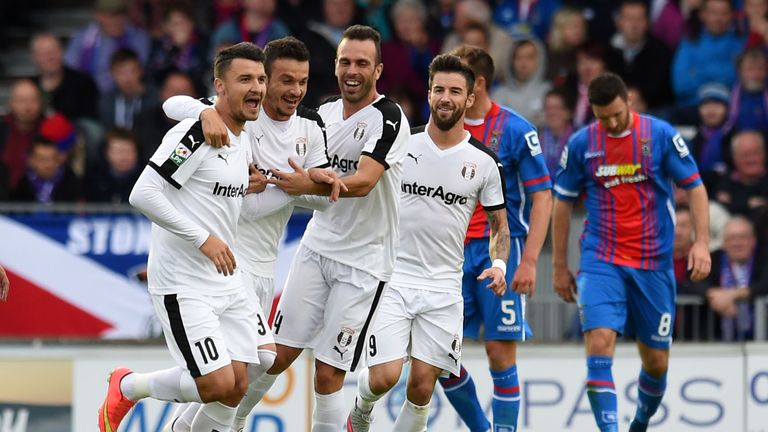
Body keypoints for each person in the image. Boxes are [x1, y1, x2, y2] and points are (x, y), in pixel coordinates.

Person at [160, 35, 339, 432]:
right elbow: (171, 105)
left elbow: (326, 198)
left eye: (303, 82)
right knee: (236, 374)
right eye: (286, 80)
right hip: (226, 261)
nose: (295, 91)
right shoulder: (239, 114)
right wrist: (203, 113)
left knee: (246, 374)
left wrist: (294, 184)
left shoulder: (311, 125)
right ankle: (143, 394)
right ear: (264, 78)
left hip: (264, 266)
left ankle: (181, 427)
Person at [235, 25, 410, 432]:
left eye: (362, 63)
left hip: (364, 264)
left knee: (328, 373)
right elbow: (290, 160)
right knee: (273, 356)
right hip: (316, 250)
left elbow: (364, 181)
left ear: (378, 70)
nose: (352, 71)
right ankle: (233, 422)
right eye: (345, 62)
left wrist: (305, 185)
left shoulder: (389, 117)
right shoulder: (321, 115)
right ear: (335, 65)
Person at [96, 42, 269, 432]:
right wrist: (203, 239)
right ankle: (128, 386)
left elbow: (208, 189)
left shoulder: (242, 133)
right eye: (245, 79)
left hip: (226, 278)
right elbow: (143, 193)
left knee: (240, 384)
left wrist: (246, 184)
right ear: (219, 86)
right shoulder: (196, 133)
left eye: (261, 79)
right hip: (183, 280)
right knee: (217, 384)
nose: (256, 88)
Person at [346, 53, 509, 432]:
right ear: (429, 93)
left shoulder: (485, 162)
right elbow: (362, 184)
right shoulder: (402, 143)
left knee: (422, 386)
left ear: (470, 98)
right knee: (384, 376)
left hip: (444, 288)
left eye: (455, 91)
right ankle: (360, 411)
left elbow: (500, 225)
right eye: (439, 90)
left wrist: (499, 265)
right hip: (393, 278)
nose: (446, 98)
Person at [552, 72, 711, 432]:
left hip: (653, 262)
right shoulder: (581, 144)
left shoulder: (660, 135)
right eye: (602, 117)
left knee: (656, 362)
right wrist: (559, 265)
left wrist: (701, 242)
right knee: (598, 344)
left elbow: (695, 187)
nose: (610, 123)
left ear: (629, 102)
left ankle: (640, 422)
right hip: (601, 259)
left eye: (616, 115)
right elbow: (562, 203)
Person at [438, 44, 552, 432]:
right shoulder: (440, 127)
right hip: (448, 251)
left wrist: (530, 260)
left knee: (499, 353)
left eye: (458, 83)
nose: (448, 93)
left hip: (499, 249)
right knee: (438, 355)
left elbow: (542, 196)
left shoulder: (517, 130)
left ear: (479, 84)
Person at [701, 216, 768, 341]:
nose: (737, 243)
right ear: (723, 242)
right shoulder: (712, 259)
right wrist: (712, 294)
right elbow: (691, 283)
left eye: (743, 237)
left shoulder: (763, 258)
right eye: (731, 238)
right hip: (716, 338)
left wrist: (734, 295)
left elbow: (764, 283)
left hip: (761, 338)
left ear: (753, 240)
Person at [64, 0, 150, 93]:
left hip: (123, 95)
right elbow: (69, 70)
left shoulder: (138, 38)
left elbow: (136, 73)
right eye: (111, 15)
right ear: (98, 16)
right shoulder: (83, 38)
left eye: (121, 14)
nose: (117, 20)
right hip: (87, 94)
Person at [606, 0, 674, 111]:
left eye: (639, 19)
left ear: (647, 22)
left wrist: (639, 97)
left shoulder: (660, 50)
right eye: (629, 19)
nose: (634, 25)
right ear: (618, 22)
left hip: (652, 110)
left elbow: (662, 89)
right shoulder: (606, 50)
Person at [10, 138, 82, 203]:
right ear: (31, 161)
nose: (49, 164)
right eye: (42, 159)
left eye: (53, 158)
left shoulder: (71, 182)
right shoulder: (21, 186)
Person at [85, 128, 142, 203]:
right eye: (118, 151)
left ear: (137, 152)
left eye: (128, 151)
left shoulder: (147, 180)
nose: (124, 156)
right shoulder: (93, 179)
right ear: (107, 152)